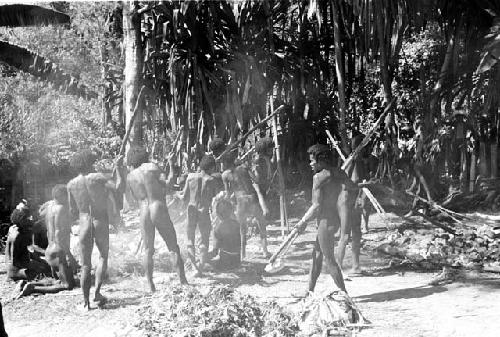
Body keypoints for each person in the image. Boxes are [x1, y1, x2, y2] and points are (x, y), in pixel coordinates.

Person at [296, 144, 364, 294]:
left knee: (329, 260)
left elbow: (316, 205)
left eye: (312, 161)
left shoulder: (318, 177)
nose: (310, 164)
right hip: (335, 220)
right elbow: (353, 187)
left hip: (325, 221)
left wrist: (302, 222)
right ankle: (309, 291)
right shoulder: (339, 172)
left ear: (320, 160)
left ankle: (344, 293)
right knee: (317, 255)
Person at [67, 149, 125, 310]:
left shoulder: (71, 184)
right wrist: (118, 169)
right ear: (89, 162)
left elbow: (72, 210)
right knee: (102, 257)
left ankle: (85, 302)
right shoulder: (98, 178)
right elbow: (118, 187)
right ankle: (97, 293)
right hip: (100, 221)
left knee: (85, 264)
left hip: (84, 223)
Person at [126, 146, 187, 291]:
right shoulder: (152, 167)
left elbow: (132, 200)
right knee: (173, 247)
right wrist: (171, 164)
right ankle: (183, 281)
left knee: (148, 250)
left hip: (143, 211)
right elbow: (170, 183)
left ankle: (150, 285)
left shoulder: (130, 176)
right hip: (157, 206)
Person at [221, 150, 270, 259]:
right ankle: (265, 251)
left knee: (242, 229)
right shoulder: (244, 168)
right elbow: (256, 180)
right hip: (252, 198)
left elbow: (228, 193)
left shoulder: (225, 175)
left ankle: (243, 255)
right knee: (261, 223)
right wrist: (254, 170)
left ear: (224, 163)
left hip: (240, 201)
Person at [177, 155, 220, 275]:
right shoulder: (211, 180)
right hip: (203, 211)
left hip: (191, 210)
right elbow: (216, 197)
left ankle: (194, 267)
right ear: (211, 168)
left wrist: (176, 195)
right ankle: (200, 267)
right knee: (203, 241)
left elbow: (184, 197)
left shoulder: (190, 177)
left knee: (190, 239)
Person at [5, 205, 51, 282]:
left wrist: (39, 259)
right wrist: (33, 264)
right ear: (21, 218)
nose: (31, 219)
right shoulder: (17, 235)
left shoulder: (13, 228)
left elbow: (23, 251)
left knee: (45, 265)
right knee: (42, 271)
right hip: (16, 270)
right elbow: (15, 261)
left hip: (17, 266)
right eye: (27, 218)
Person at [209, 197, 241, 270]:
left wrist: (203, 257)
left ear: (217, 214)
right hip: (237, 261)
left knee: (205, 264)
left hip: (225, 263)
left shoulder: (217, 229)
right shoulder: (237, 224)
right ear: (231, 212)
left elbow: (215, 252)